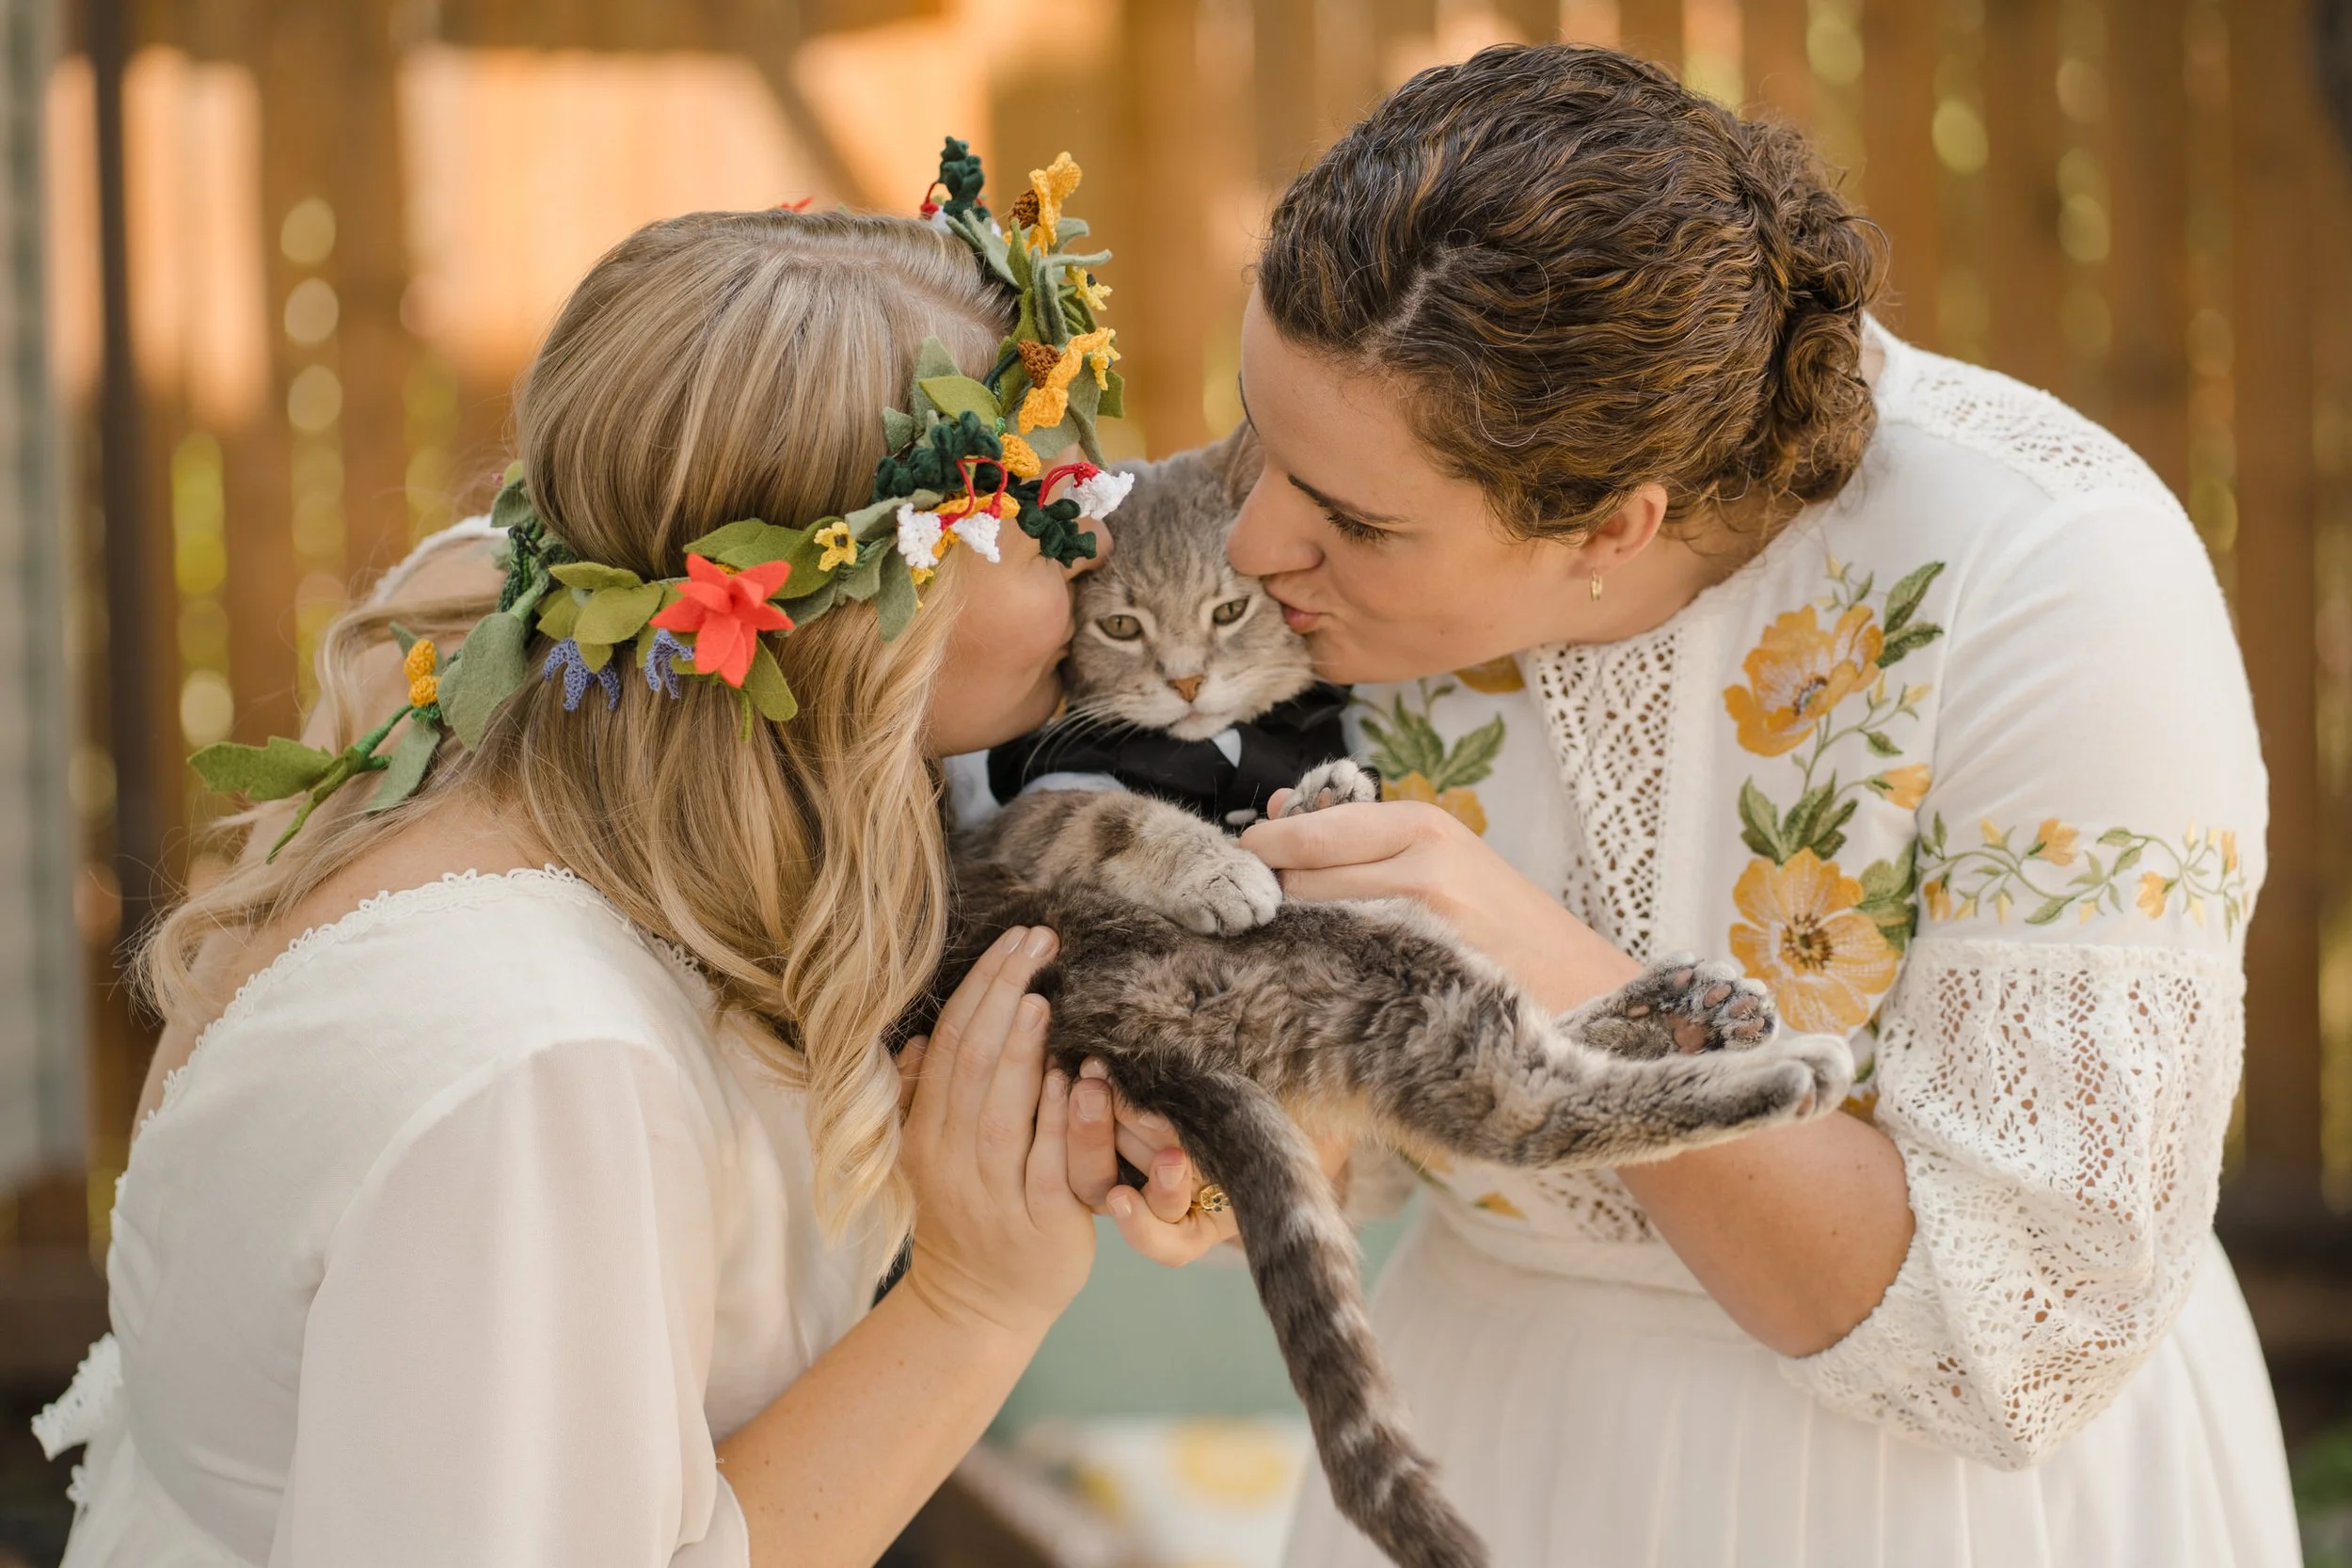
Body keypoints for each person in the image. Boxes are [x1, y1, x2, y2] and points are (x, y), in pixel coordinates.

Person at [33, 194, 1228, 1567]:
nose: (1099, 547)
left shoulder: (506, 648)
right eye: (1040, 523)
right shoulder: (540, 1073)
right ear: (859, 626)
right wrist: (975, 1300)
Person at [1232, 43, 2303, 1567]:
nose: (1257, 537)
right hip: (1486, 1446)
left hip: (1929, 1513)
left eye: (1350, 517)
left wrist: (1564, 989)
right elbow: (1374, 1134)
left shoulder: (2054, 580)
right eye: (1256, 441)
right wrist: (1244, 1142)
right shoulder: (1339, 527)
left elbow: (2012, 1343)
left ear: (1614, 522)